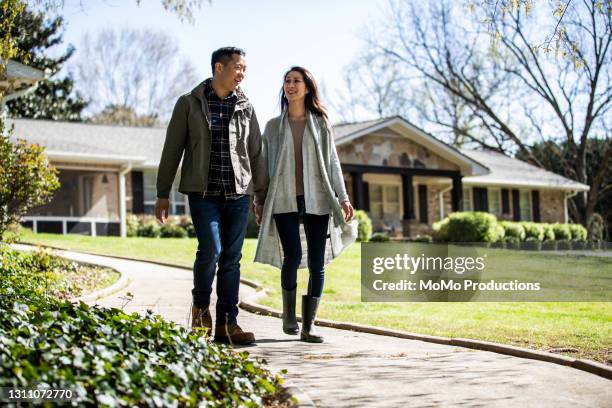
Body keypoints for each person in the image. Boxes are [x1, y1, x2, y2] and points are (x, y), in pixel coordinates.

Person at [155, 47, 267, 345]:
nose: (242, 74)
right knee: (212, 250)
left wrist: (261, 196)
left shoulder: (246, 106)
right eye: (238, 68)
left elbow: (256, 154)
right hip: (203, 193)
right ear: (219, 67)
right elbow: (172, 149)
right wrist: (162, 193)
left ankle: (228, 323)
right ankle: (201, 310)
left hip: (238, 194)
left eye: (245, 69)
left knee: (232, 259)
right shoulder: (189, 103)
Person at [254, 66, 357, 343]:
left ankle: (309, 325)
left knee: (316, 262)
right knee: (292, 255)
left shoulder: (321, 123)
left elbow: (333, 162)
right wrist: (259, 199)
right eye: (287, 81)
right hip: (283, 196)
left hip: (318, 197)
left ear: (308, 87)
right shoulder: (273, 127)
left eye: (296, 81)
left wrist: (343, 197)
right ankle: (289, 316)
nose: (291, 85)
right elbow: (262, 166)